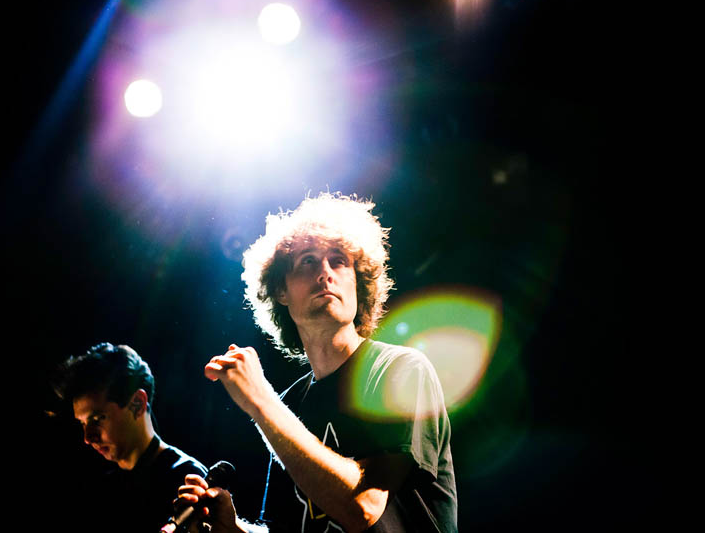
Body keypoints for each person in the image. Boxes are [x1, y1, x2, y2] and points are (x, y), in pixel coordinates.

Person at [178, 193, 458, 532]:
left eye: (339, 260)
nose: (325, 272)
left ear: (360, 282)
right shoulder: (289, 404)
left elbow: (363, 507)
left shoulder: (400, 369)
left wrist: (260, 401)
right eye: (308, 261)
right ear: (280, 290)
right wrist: (232, 528)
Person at [53, 342, 208, 532]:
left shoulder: (189, 481)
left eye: (97, 418)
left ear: (137, 403)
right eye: (83, 423)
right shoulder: (99, 485)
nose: (88, 437)